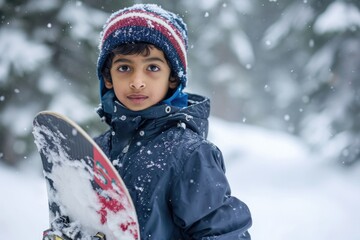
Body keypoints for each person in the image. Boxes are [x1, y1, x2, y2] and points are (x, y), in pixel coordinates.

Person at [45, 3, 252, 240]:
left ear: (173, 78)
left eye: (152, 67)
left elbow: (223, 234)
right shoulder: (96, 151)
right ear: (108, 77)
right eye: (124, 67)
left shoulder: (189, 154)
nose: (137, 81)